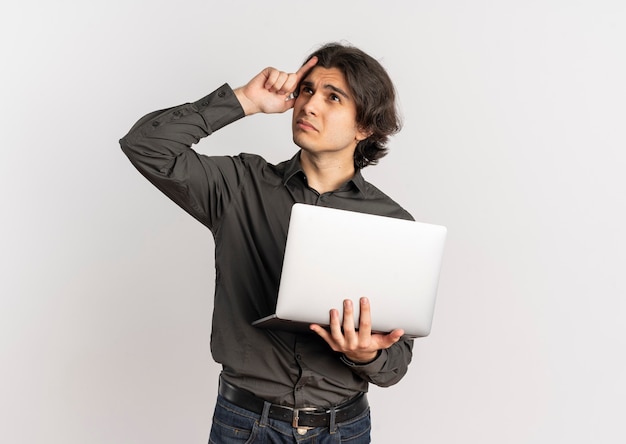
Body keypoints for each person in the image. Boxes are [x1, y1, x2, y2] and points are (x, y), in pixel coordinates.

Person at [120, 42, 415, 443]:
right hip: (243, 425)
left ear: (365, 126)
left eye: (333, 97)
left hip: (342, 431)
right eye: (306, 91)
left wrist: (367, 354)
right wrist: (244, 100)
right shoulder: (240, 185)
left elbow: (396, 365)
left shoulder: (392, 224)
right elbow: (145, 145)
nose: (309, 105)